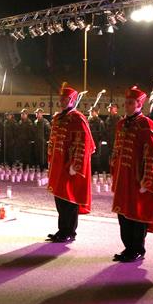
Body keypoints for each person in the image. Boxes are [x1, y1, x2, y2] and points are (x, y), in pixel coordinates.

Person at [110, 87, 153, 262]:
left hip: (138, 180)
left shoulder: (147, 125)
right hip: (123, 178)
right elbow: (117, 149)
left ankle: (137, 249)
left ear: (139, 104)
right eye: (125, 102)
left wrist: (147, 181)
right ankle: (128, 247)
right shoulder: (121, 124)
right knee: (123, 213)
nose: (126, 106)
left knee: (137, 214)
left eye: (130, 103)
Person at [46, 83, 95, 243]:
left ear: (72, 100)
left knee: (69, 198)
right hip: (57, 165)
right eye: (61, 98)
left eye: (65, 98)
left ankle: (70, 231)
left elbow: (85, 143)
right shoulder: (57, 118)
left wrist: (76, 164)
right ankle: (62, 229)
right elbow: (52, 142)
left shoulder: (77, 118)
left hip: (70, 166)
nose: (62, 101)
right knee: (59, 198)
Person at [102, 103, 121, 173]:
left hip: (117, 142)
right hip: (109, 142)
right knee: (109, 157)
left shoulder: (119, 119)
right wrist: (105, 139)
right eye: (109, 108)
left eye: (111, 108)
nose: (110, 109)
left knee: (117, 157)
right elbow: (105, 130)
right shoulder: (108, 119)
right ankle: (110, 171)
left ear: (116, 109)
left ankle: (116, 171)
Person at [87, 108, 106, 173]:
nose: (90, 113)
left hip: (96, 142)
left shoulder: (100, 121)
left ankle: (98, 171)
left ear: (96, 112)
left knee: (97, 157)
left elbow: (102, 133)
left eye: (92, 111)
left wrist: (98, 140)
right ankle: (91, 171)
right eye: (90, 112)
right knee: (91, 157)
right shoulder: (89, 121)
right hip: (89, 142)